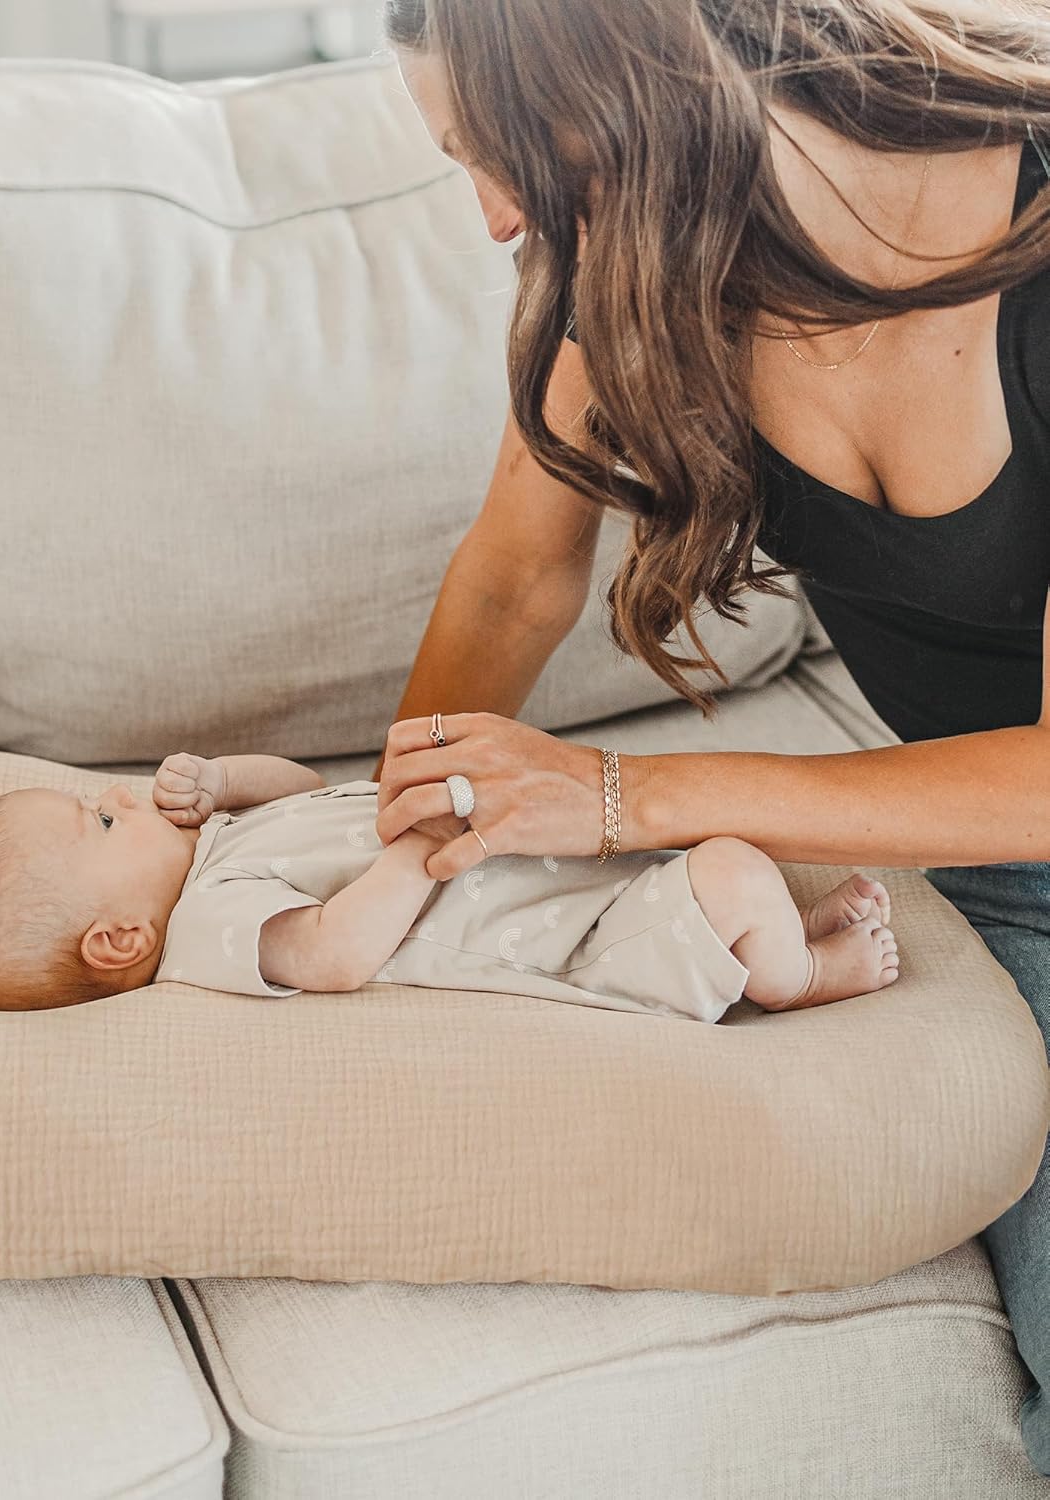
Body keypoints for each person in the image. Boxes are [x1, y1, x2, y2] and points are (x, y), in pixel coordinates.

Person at [375, 0, 1050, 1473]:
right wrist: (393, 824)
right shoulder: (631, 277)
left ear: (642, 92)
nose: (494, 222)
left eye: (506, 163)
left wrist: (621, 793)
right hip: (1001, 872)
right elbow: (516, 570)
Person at [0, 749, 896, 1016]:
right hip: (577, 943)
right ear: (118, 940)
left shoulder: (216, 850)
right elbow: (335, 955)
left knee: (714, 846)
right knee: (726, 871)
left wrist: (224, 781)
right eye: (101, 822)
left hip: (559, 879)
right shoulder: (206, 930)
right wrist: (415, 846)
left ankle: (779, 933)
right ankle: (801, 977)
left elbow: (306, 793)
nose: (120, 799)